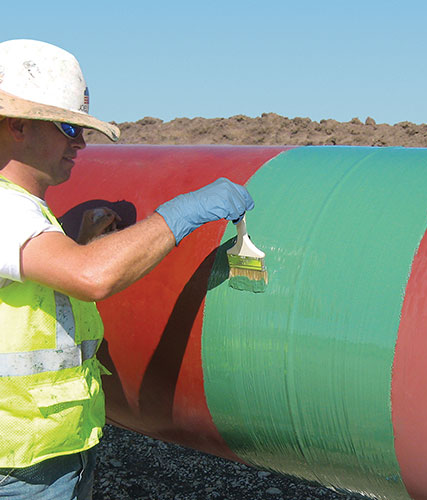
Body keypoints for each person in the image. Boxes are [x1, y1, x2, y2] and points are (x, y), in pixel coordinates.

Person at [0, 39, 254, 499]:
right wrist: (181, 213)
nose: (79, 142)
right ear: (17, 125)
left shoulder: (25, 210)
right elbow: (90, 276)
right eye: (66, 126)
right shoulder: (5, 207)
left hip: (42, 451)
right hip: (20, 464)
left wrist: (77, 241)